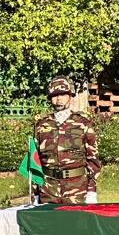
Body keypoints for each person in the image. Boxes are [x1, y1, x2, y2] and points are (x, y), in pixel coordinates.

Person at [32, 76, 101, 205]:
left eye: (62, 95)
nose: (58, 99)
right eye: (54, 95)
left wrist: (92, 191)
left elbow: (93, 159)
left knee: (76, 218)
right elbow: (35, 160)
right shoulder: (41, 125)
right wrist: (34, 193)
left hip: (77, 188)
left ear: (70, 96)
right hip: (48, 189)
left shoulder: (83, 123)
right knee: (48, 218)